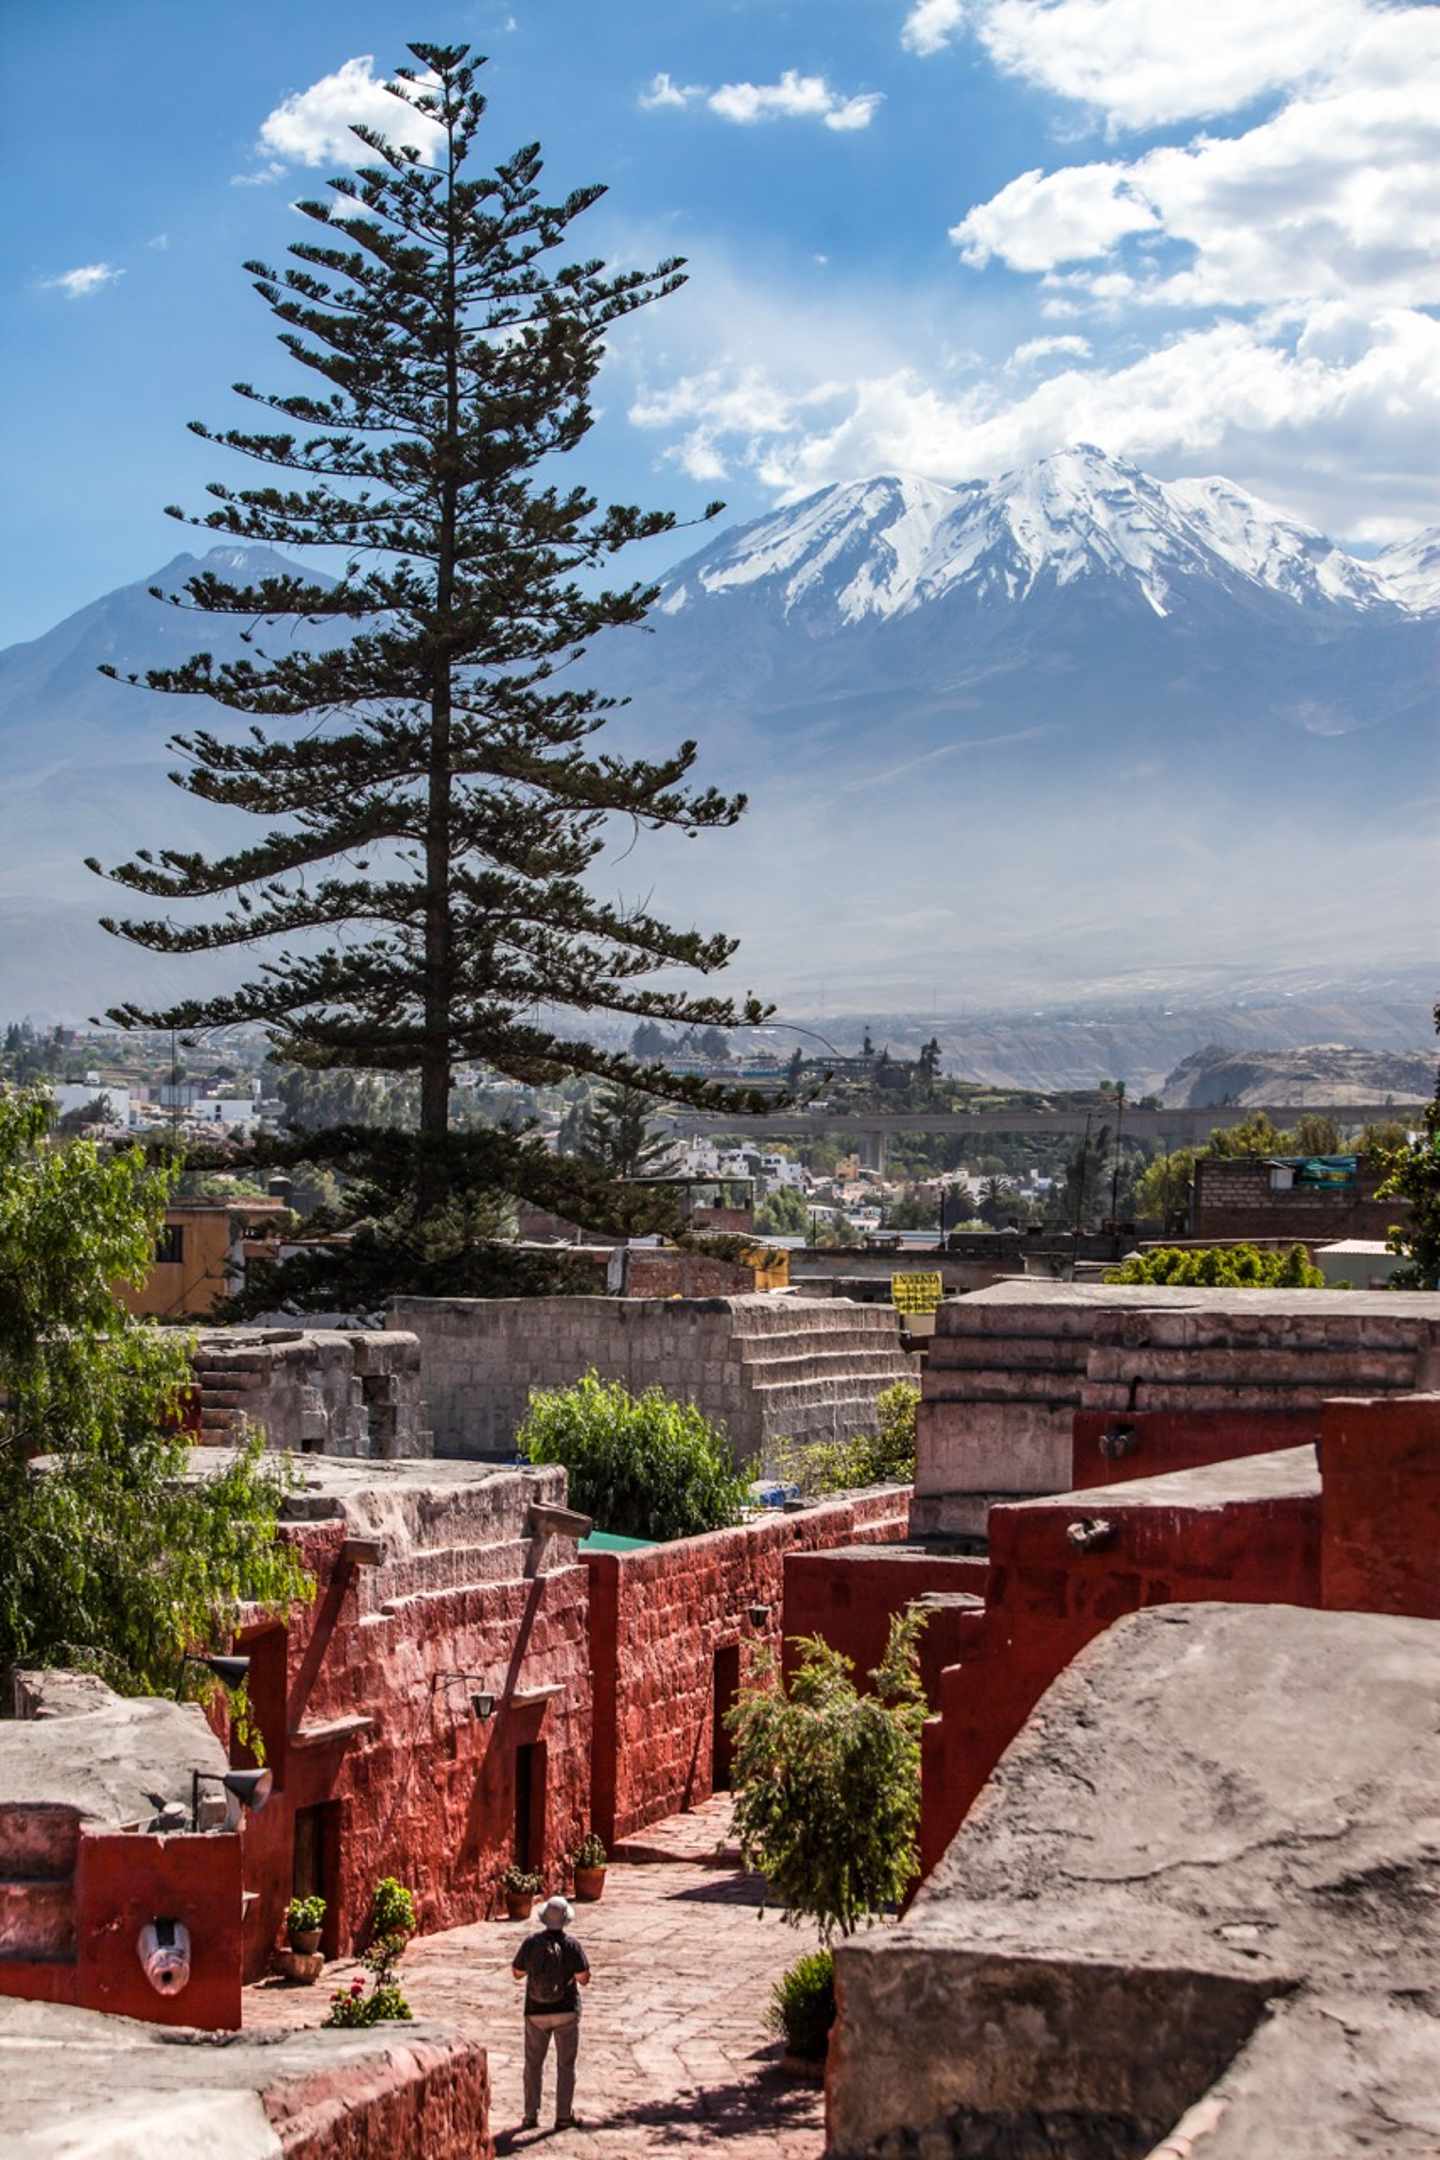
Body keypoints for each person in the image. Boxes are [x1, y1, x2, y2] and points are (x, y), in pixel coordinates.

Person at [512, 1893, 590, 2130]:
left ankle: (530, 2115)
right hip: (566, 2011)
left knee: (533, 2064)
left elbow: (517, 1972)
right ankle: (563, 2115)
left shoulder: (531, 1943)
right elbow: (584, 1978)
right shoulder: (572, 1945)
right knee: (566, 2065)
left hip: (535, 2011)